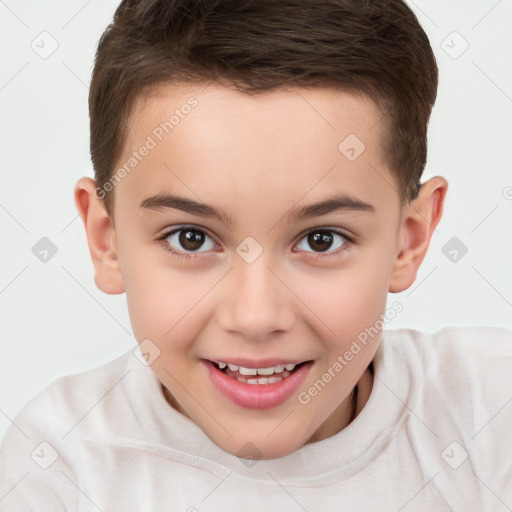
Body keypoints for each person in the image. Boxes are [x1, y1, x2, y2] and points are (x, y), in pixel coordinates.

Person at [1, 0, 510, 510]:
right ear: (106, 240)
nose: (256, 316)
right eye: (191, 238)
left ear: (410, 239)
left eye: (321, 240)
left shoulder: (489, 413)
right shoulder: (62, 466)